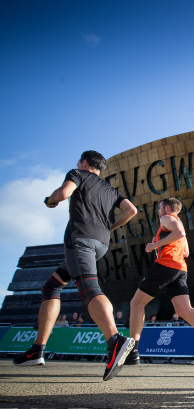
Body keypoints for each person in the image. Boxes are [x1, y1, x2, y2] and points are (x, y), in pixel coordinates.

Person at [12, 151, 137, 381]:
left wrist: (50, 201)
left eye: (79, 162)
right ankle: (37, 350)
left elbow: (64, 193)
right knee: (50, 287)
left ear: (84, 163)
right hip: (100, 244)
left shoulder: (78, 174)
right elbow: (132, 210)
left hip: (80, 241)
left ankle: (115, 340)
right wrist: (111, 228)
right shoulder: (111, 190)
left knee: (89, 289)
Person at [126, 197, 194, 369]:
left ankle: (132, 351)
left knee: (136, 303)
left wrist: (155, 244)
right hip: (180, 269)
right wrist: (162, 243)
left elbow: (179, 234)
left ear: (166, 208)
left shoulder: (166, 219)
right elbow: (186, 251)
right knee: (184, 310)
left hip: (165, 266)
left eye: (159, 207)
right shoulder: (177, 222)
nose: (158, 211)